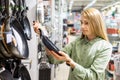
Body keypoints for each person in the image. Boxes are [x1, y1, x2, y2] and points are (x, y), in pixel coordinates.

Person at [33, 8, 112, 80]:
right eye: (81, 22)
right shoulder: (78, 42)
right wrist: (43, 35)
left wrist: (71, 63)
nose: (82, 26)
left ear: (96, 24)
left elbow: (93, 77)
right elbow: (56, 58)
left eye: (86, 23)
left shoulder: (105, 47)